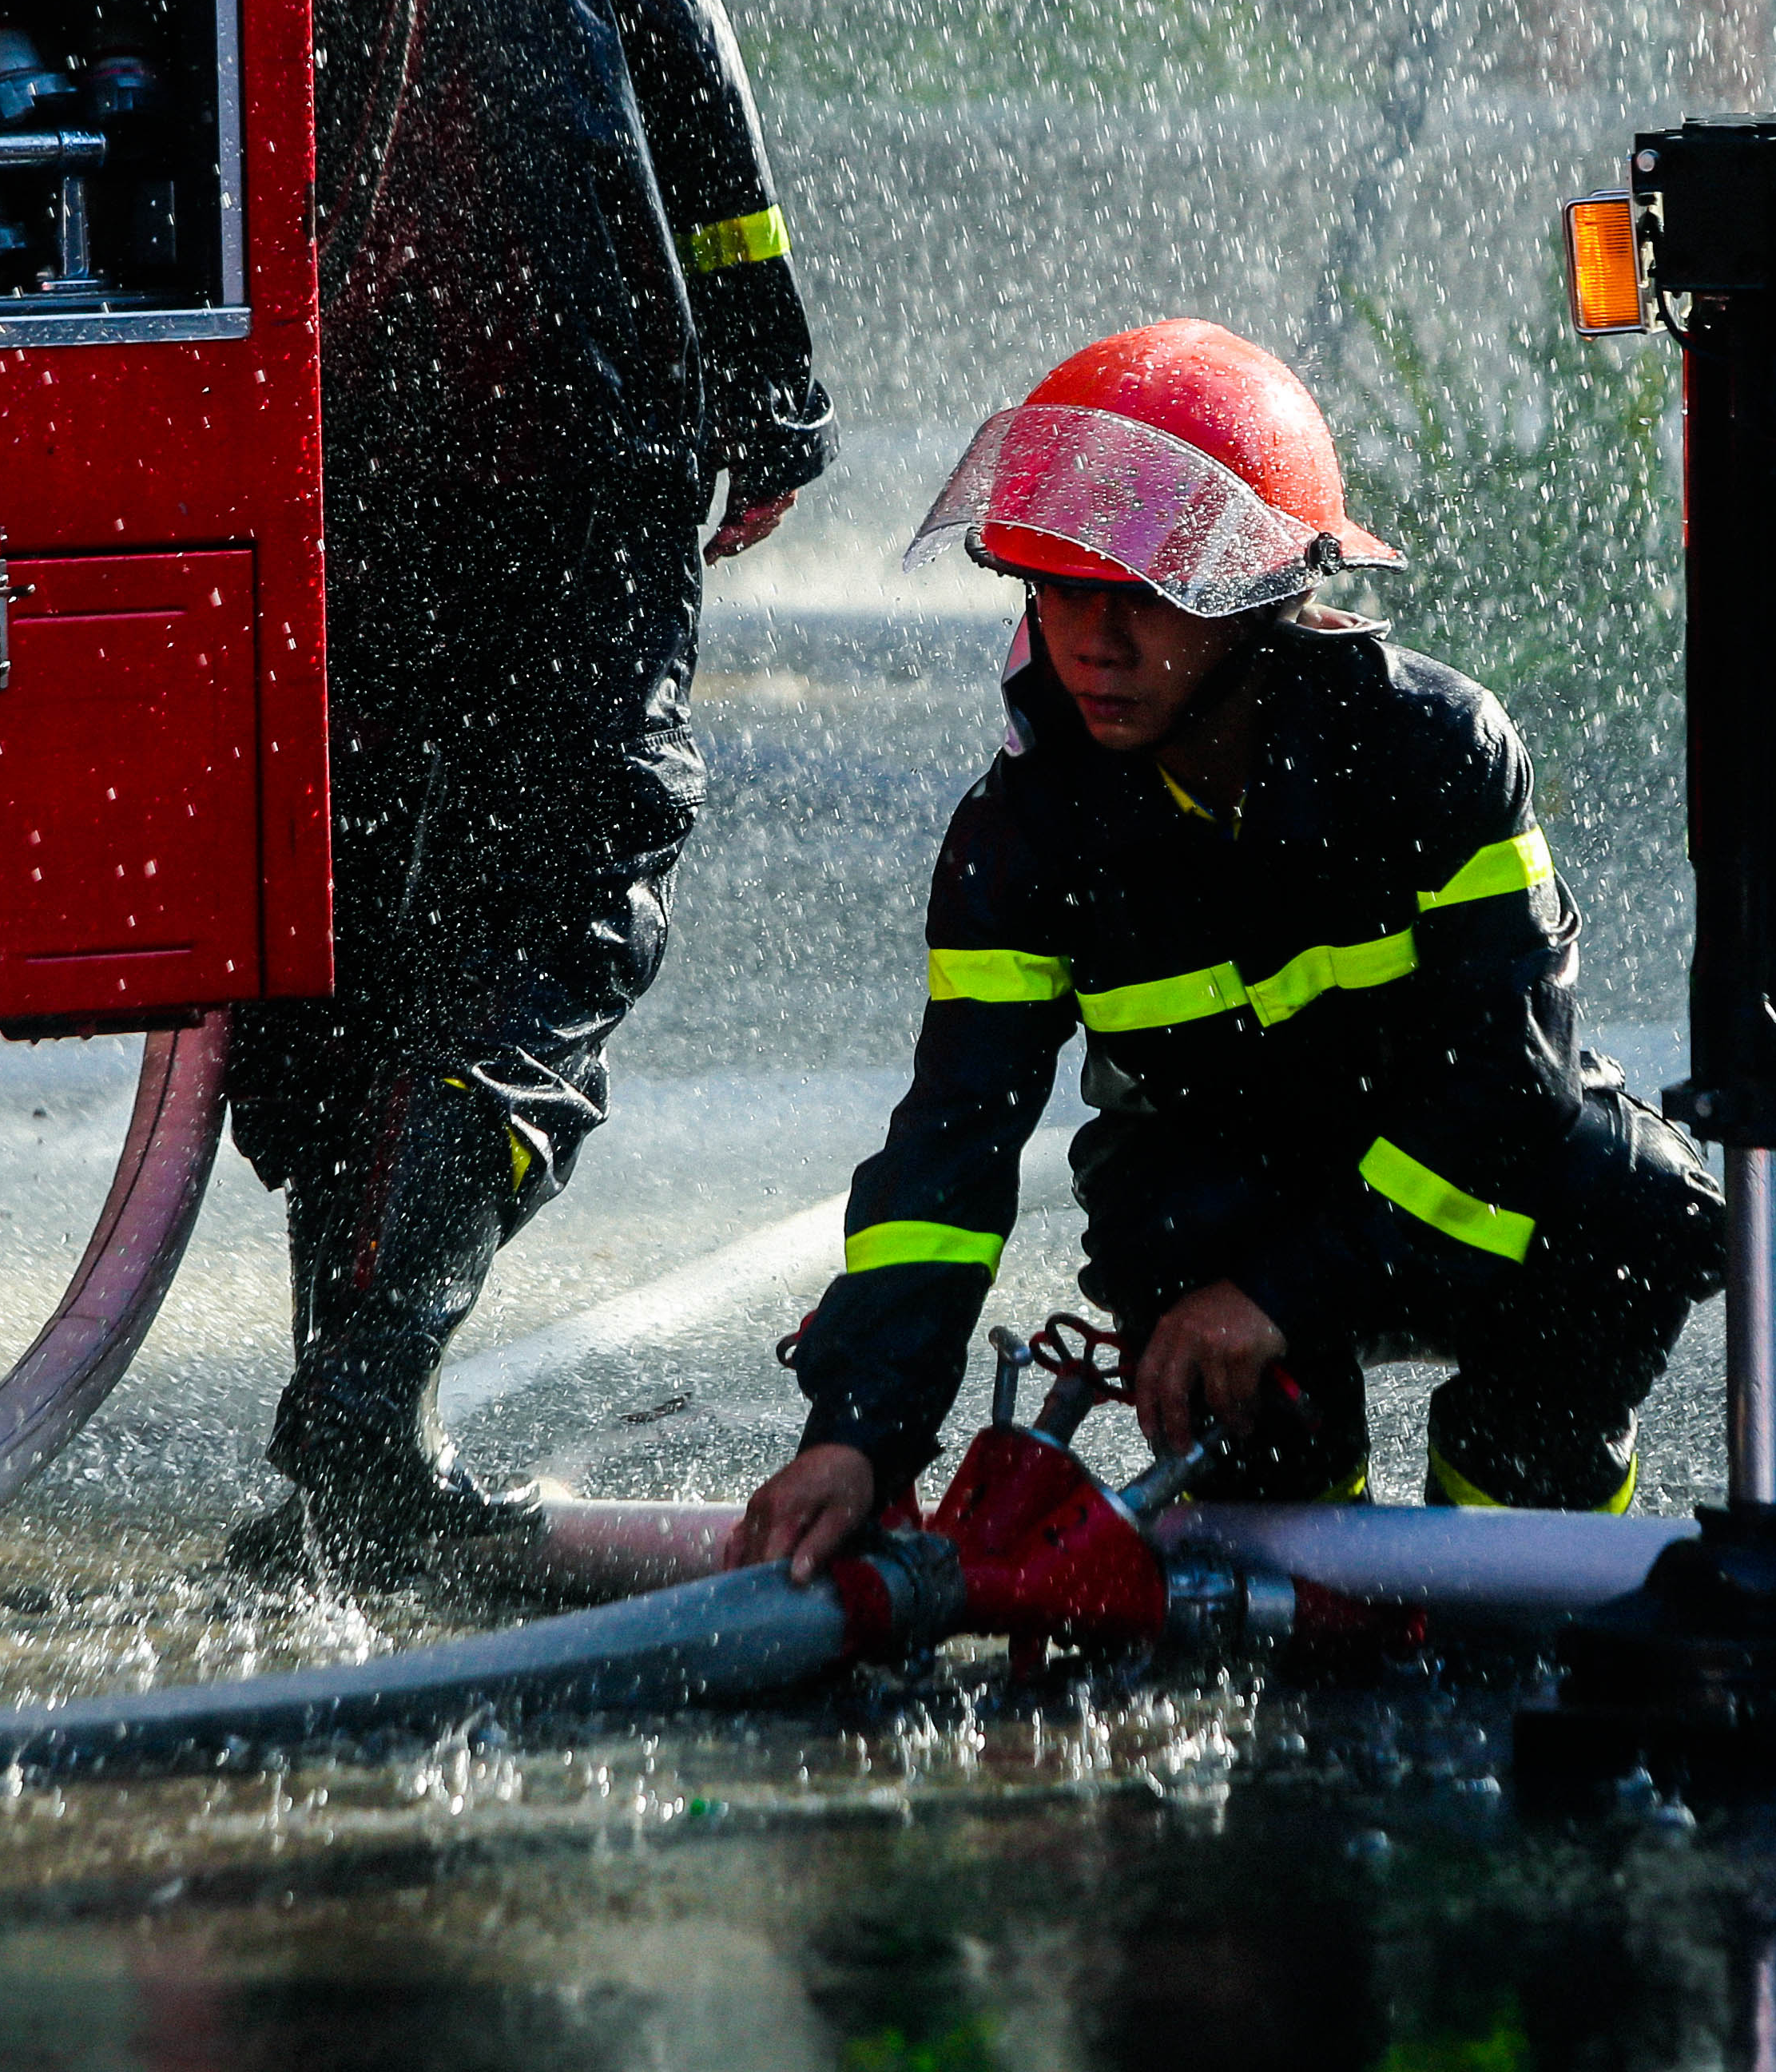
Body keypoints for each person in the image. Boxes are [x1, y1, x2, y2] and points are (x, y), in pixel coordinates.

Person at [231, 0, 833, 1574]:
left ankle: (341, 1428)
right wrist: (768, 373)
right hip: (564, 411)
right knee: (556, 895)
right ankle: (360, 1429)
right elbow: (672, 41)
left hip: (296, 445)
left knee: (351, 916)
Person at [727, 321, 1719, 1582]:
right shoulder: (1022, 838)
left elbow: (1504, 1088)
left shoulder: (1433, 753)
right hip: (1216, 1222)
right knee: (1253, 1451)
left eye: (1141, 598)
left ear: (1264, 598)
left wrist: (1294, 1292)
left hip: (1442, 1183)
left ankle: (1526, 1570)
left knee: (1627, 1208)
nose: (1092, 642)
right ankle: (1313, 1582)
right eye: (1061, 589)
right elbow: (948, 1155)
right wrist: (857, 1438)